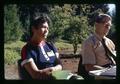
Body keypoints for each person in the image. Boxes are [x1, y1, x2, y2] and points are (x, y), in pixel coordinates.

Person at [21, 14, 62, 80]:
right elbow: (36, 75)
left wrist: (52, 70)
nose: (46, 30)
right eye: (43, 27)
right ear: (33, 29)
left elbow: (60, 65)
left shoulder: (51, 46)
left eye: (47, 28)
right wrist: (54, 70)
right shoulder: (27, 49)